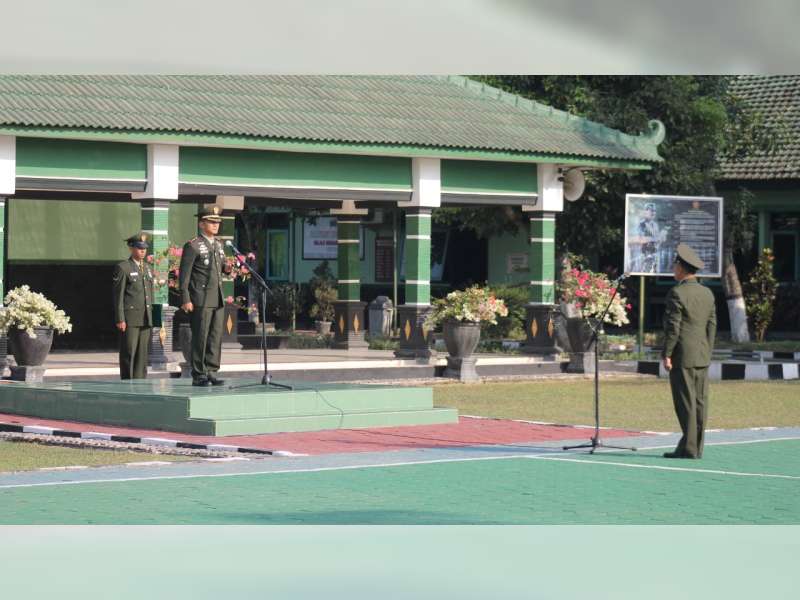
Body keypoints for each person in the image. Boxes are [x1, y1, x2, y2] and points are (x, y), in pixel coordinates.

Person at [662, 243, 717, 459]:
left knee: (685, 402)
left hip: (683, 355)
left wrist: (667, 353)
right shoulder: (707, 293)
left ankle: (690, 448)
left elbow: (673, 328)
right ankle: (693, 446)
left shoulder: (677, 293)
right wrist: (707, 350)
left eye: (675, 265)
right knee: (700, 401)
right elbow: (712, 325)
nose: (674, 269)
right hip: (702, 354)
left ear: (682, 268)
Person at [179, 204, 232, 386]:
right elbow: (184, 275)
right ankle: (199, 373)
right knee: (200, 336)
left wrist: (227, 268)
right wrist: (185, 298)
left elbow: (222, 269)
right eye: (211, 222)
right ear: (202, 224)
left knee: (215, 336)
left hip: (216, 297)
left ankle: (211, 370)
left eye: (217, 222)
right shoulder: (193, 245)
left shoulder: (218, 245)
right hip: (200, 298)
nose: (215, 225)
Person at [112, 232, 154, 380]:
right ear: (131, 248)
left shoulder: (148, 268)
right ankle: (128, 382)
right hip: (130, 318)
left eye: (144, 248)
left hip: (145, 317)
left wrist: (154, 318)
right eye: (139, 248)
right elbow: (119, 296)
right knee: (129, 351)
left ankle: (140, 383)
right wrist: (120, 318)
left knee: (142, 354)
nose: (142, 251)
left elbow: (150, 295)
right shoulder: (123, 267)